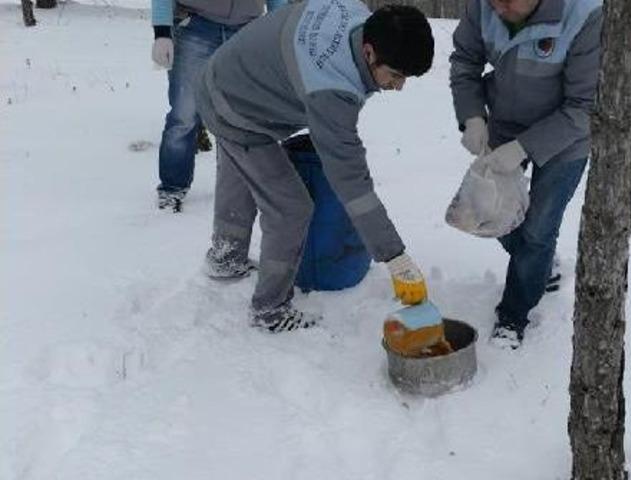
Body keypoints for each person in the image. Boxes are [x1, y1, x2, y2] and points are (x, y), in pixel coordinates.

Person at [194, 1, 435, 332]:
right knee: (290, 208)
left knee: (240, 172)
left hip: (225, 77)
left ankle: (226, 256)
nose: (398, 86)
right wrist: (394, 256)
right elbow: (351, 181)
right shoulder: (332, 88)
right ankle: (270, 310)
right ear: (368, 52)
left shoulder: (356, 13)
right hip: (237, 110)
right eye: (395, 75)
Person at [449, 0, 603, 348]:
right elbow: (465, 62)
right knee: (489, 215)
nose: (498, 7)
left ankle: (513, 316)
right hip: (503, 123)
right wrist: (472, 115)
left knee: (537, 231)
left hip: (565, 139)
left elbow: (584, 107)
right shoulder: (484, 7)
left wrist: (524, 148)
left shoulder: (584, 15)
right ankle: (540, 264)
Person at [150, 0, 284, 212]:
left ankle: (239, 188)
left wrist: (280, 29)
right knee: (184, 116)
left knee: (243, 118)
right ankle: (172, 189)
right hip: (195, 27)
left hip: (247, 31)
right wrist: (162, 32)